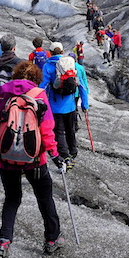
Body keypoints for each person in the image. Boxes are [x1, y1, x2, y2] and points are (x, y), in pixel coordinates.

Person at [0, 61, 66, 258]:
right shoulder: (39, 96)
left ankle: (4, 240)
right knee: (44, 197)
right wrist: (55, 154)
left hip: (6, 158)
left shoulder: (3, 94)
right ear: (36, 78)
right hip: (35, 159)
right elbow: (47, 129)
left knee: (12, 198)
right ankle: (51, 239)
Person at [39, 41, 89, 169]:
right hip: (71, 105)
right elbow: (82, 86)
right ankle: (73, 153)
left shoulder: (48, 66)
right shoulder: (72, 65)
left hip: (55, 106)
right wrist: (85, 104)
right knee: (70, 130)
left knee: (59, 132)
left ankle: (65, 157)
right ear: (62, 52)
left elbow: (43, 86)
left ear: (50, 52)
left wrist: (38, 101)